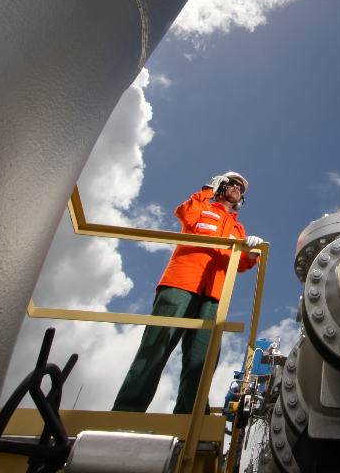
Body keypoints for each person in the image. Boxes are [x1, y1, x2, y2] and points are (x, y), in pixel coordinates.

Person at [112, 171, 264, 414]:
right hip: (181, 284)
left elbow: (241, 265)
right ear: (221, 185)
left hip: (214, 296)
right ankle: (125, 413)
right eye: (233, 183)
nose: (237, 188)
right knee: (156, 346)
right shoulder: (203, 208)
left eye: (241, 188)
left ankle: (188, 422)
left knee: (202, 361)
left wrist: (253, 252)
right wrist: (207, 190)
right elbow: (184, 213)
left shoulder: (237, 228)